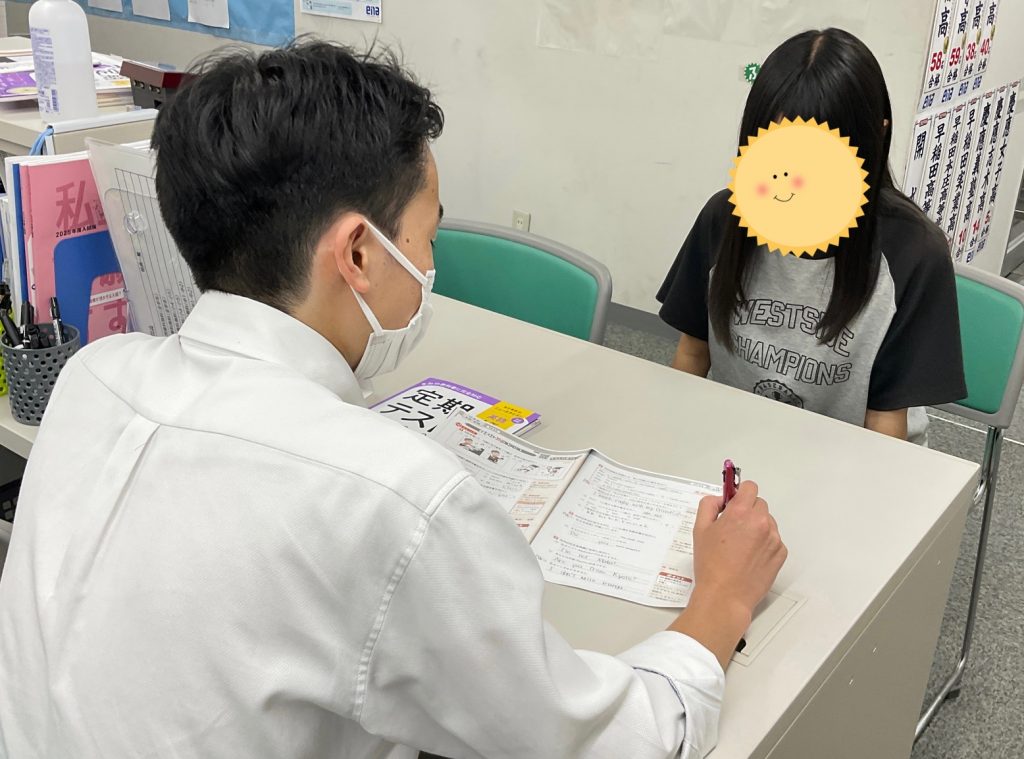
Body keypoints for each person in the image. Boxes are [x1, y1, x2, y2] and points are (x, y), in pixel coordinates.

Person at [0, 41, 786, 759]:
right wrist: (720, 600)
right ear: (358, 253)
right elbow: (611, 741)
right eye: (427, 236)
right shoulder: (390, 499)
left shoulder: (93, 376)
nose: (430, 265)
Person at [657, 28, 966, 444]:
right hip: (741, 446)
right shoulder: (725, 218)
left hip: (859, 457)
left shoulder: (913, 252)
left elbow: (885, 424)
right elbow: (693, 353)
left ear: (876, 136)